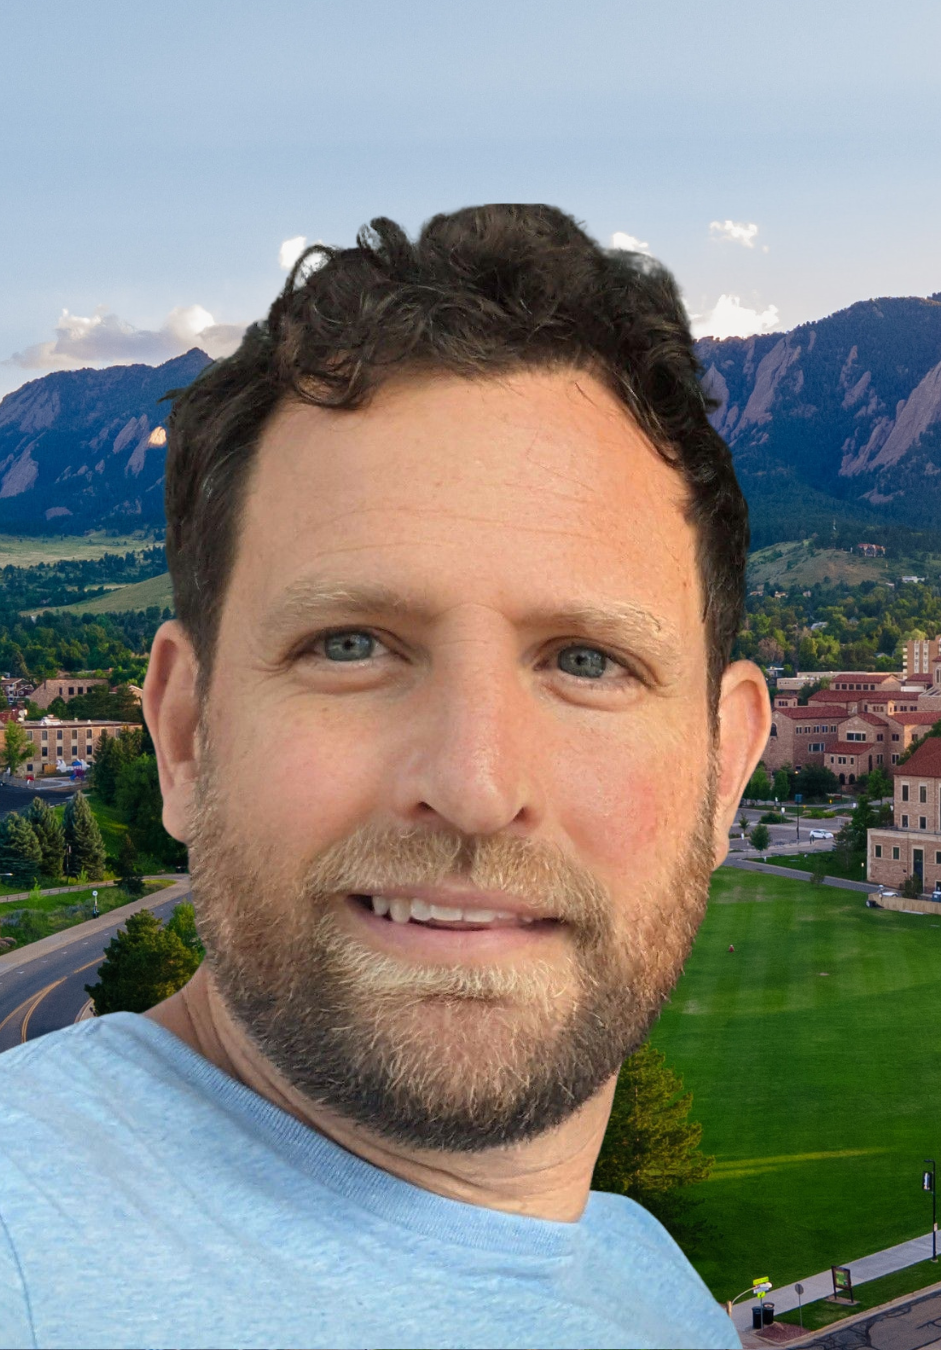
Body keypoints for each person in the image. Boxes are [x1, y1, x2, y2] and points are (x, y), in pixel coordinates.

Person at [0, 205, 770, 1349]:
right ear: (185, 736)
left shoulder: (647, 1285)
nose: (471, 783)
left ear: (725, 771)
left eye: (586, 661)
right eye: (351, 646)